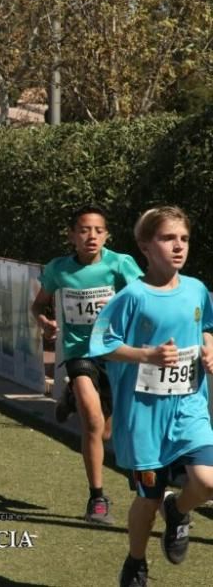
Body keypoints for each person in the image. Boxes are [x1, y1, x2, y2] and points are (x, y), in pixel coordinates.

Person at [88, 206, 213, 587]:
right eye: (167, 238)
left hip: (189, 406)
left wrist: (209, 347)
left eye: (184, 239)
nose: (178, 247)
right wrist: (147, 354)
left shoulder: (196, 289)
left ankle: (179, 509)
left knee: (208, 482)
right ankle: (136, 562)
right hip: (144, 417)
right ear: (145, 245)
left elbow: (207, 326)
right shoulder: (133, 297)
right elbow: (102, 344)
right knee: (149, 498)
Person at [31, 206, 143, 526]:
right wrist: (45, 321)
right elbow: (38, 304)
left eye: (97, 230)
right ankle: (97, 498)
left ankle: (69, 396)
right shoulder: (58, 269)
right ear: (71, 235)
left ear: (107, 235)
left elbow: (144, 298)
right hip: (78, 351)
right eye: (83, 230)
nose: (90, 236)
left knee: (106, 432)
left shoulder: (120, 265)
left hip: (116, 355)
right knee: (92, 423)